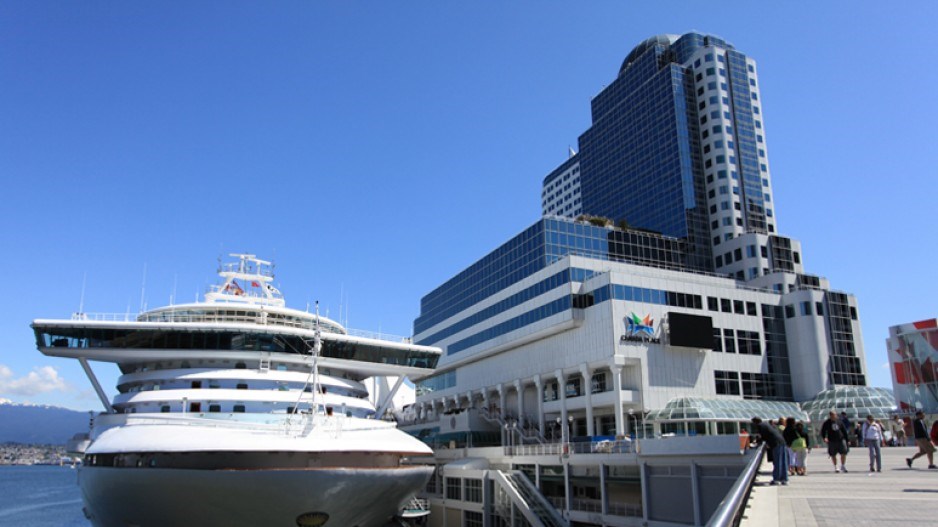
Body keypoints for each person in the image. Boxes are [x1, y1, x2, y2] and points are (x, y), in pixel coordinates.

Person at [752, 416, 788, 485]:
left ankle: (776, 479)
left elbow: (762, 436)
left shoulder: (760, 425)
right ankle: (784, 479)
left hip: (775, 443)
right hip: (782, 441)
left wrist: (756, 442)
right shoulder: (766, 424)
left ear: (755, 422)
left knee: (777, 461)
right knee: (783, 461)